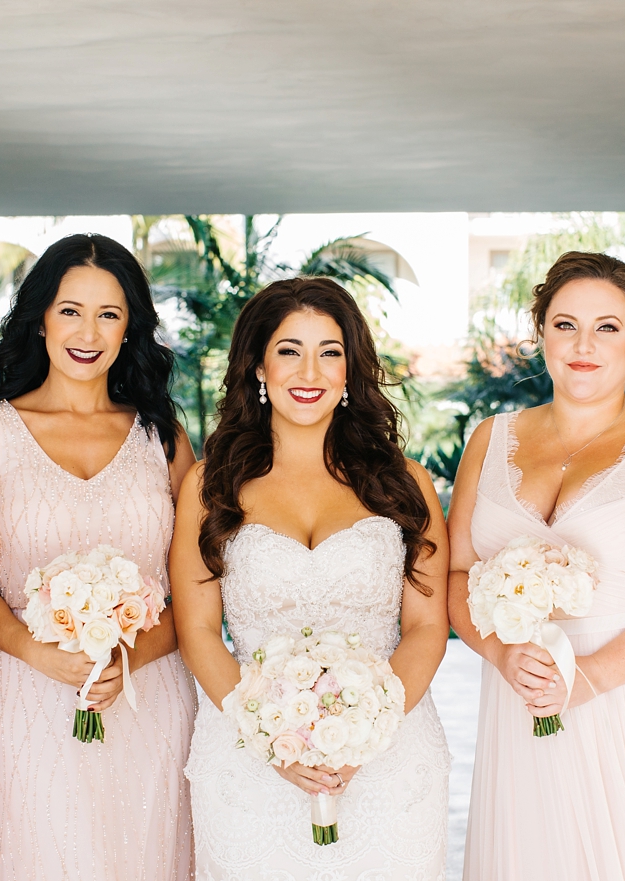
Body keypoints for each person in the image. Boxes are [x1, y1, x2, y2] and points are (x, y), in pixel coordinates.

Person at [447, 252, 625, 879]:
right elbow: (457, 574)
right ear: (540, 333)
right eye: (565, 324)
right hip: (525, 690)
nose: (584, 344)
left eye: (607, 327)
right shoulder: (489, 440)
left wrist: (590, 678)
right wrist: (500, 655)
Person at [175, 278, 452, 877]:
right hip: (248, 757)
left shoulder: (407, 483)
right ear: (257, 365)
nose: (310, 370)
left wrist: (369, 731)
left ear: (351, 369)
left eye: (330, 351)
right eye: (289, 349)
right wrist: (272, 739)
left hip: (390, 759)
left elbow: (428, 626)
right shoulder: (209, 484)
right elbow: (197, 630)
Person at [0, 234, 198, 879]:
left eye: (109, 314)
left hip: (152, 690)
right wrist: (46, 657)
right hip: (34, 692)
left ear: (129, 328)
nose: (89, 331)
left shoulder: (163, 438)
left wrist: (126, 658)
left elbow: (193, 590)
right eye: (71, 310)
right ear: (39, 317)